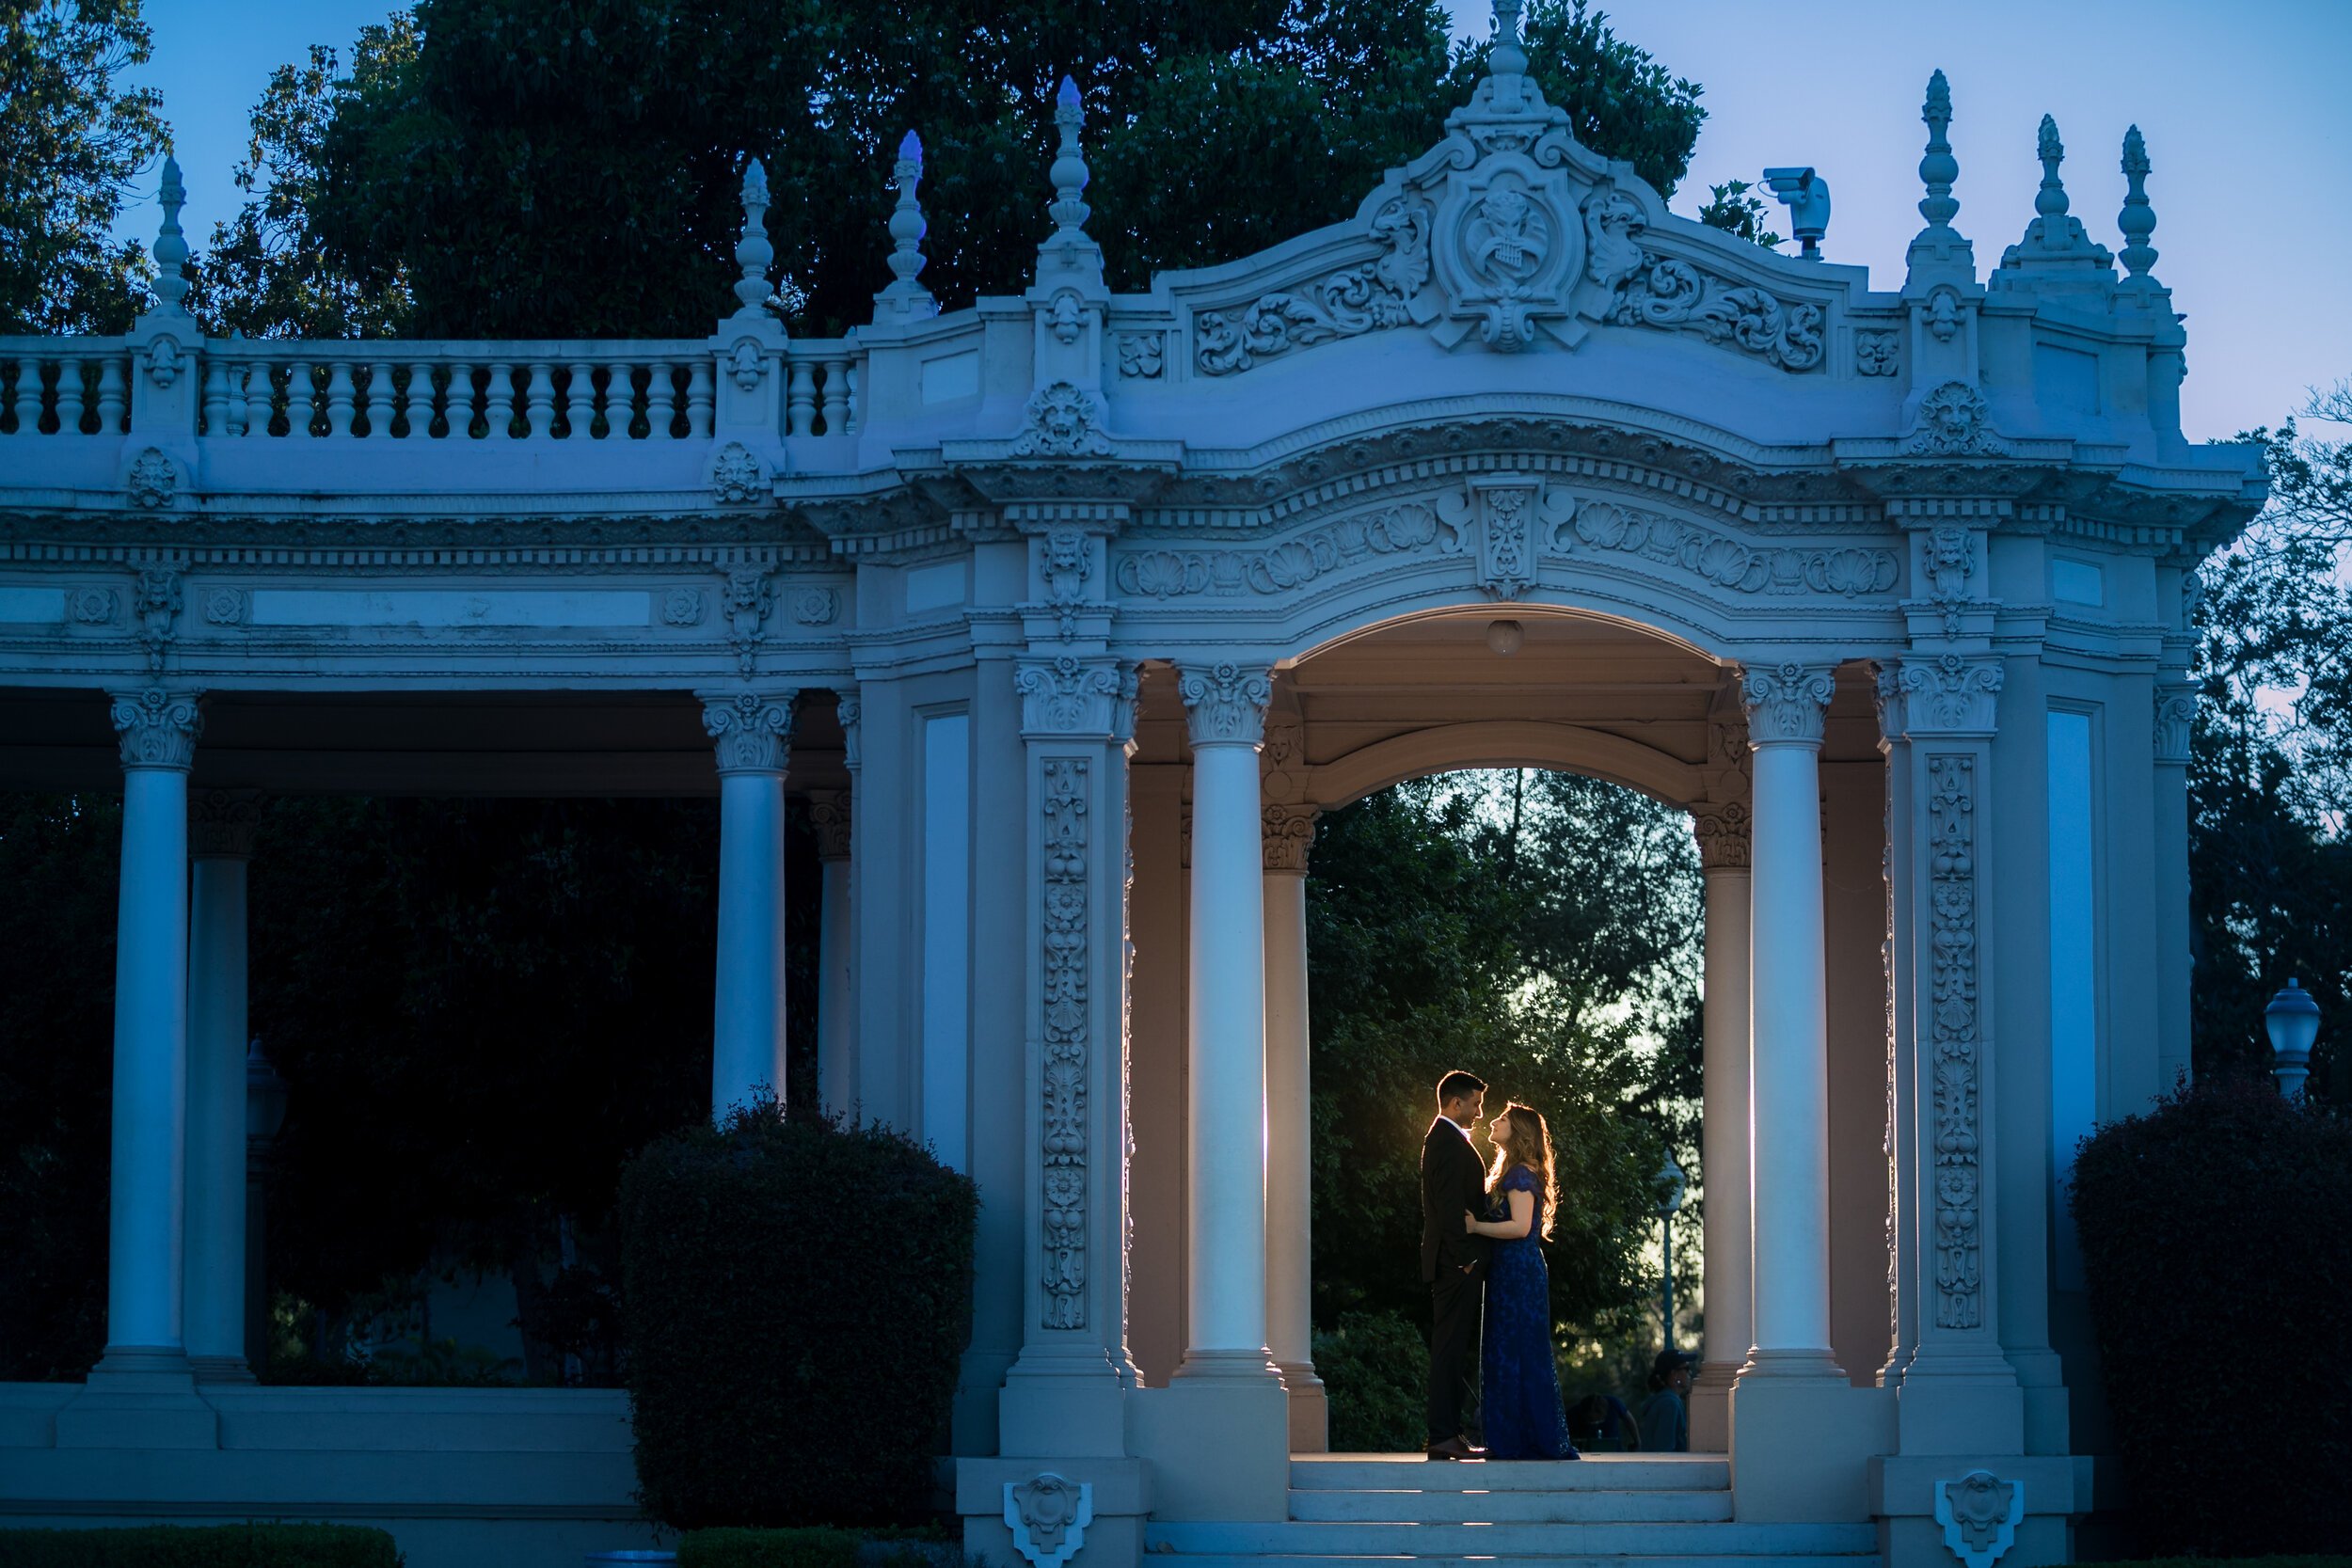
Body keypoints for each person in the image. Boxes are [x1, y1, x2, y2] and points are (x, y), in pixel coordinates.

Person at [1462, 1101, 1580, 1461]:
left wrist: (1475, 1226)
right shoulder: (1516, 1171)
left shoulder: (1521, 1176)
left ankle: (1520, 1440)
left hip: (1519, 1272)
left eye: (1502, 1119)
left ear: (1518, 1131)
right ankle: (1512, 1438)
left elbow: (1519, 1227)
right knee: (1507, 1350)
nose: (1494, 1121)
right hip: (1510, 1270)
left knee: (1515, 1351)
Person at [1421, 1069, 1490, 1461]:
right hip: (1454, 1266)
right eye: (1476, 1103)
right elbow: (1448, 1207)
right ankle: (1443, 1435)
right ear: (1456, 1102)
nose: (1480, 1112)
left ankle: (1448, 1434)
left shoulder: (1447, 1140)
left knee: (1453, 1348)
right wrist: (1466, 1260)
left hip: (1454, 1264)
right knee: (1448, 1350)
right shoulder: (1446, 1142)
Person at [1638, 1347, 1697, 1453]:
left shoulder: (1666, 1401)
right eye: (1686, 1368)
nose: (1690, 1373)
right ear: (1674, 1374)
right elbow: (1664, 1451)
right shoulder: (1669, 1404)